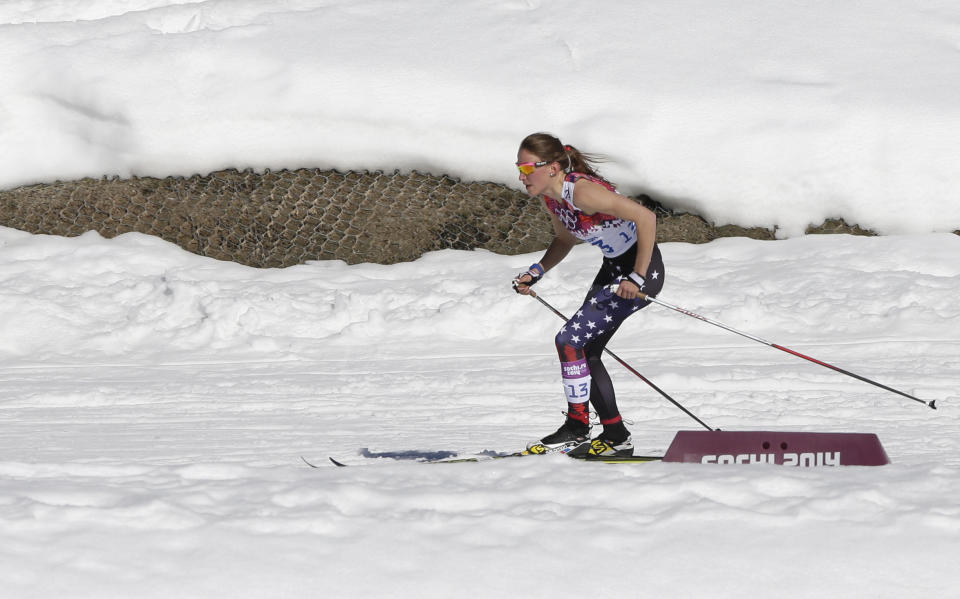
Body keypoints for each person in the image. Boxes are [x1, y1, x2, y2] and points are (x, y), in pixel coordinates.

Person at [511, 132, 665, 457]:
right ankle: (616, 435)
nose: (522, 176)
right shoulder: (552, 197)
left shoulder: (581, 193)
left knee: (568, 341)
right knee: (585, 349)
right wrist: (535, 272)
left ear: (552, 167)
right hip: (614, 268)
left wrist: (636, 276)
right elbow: (565, 239)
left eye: (527, 169)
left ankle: (577, 428)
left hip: (641, 269)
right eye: (519, 168)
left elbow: (646, 217)